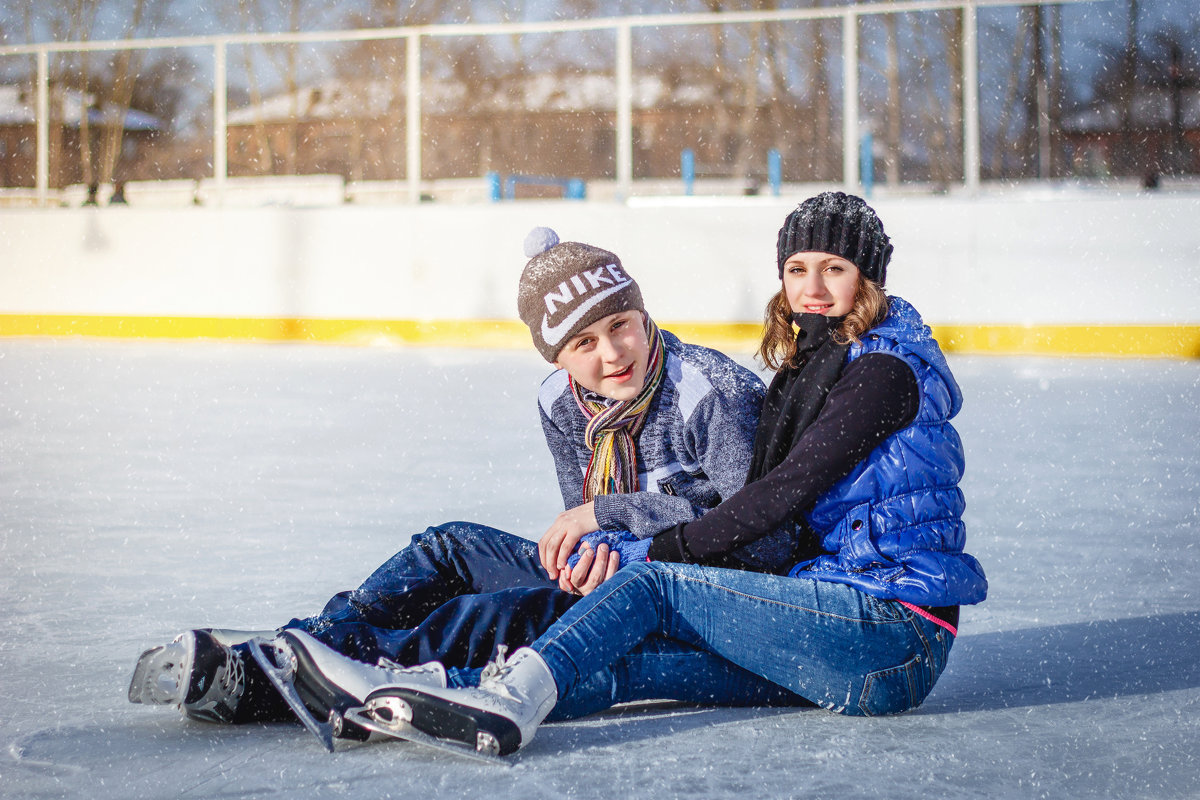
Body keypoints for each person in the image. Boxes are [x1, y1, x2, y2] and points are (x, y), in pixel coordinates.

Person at [292, 192, 989, 756]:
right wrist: (617, 547)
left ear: (868, 276)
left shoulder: (882, 373)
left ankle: (504, 696)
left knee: (648, 590)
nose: (811, 287)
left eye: (834, 268)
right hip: (833, 612)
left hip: (892, 627)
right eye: (797, 268)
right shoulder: (812, 364)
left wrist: (647, 549)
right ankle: (425, 690)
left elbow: (780, 496)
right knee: (623, 665)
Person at [128, 227, 780, 727]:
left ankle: (307, 680)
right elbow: (579, 518)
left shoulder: (709, 393)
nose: (612, 353)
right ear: (556, 353)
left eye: (621, 326)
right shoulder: (560, 401)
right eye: (584, 343)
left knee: (494, 615)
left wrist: (609, 521)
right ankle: (313, 645)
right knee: (445, 549)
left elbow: (760, 533)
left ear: (643, 315)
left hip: (691, 596)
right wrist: (594, 548)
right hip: (622, 568)